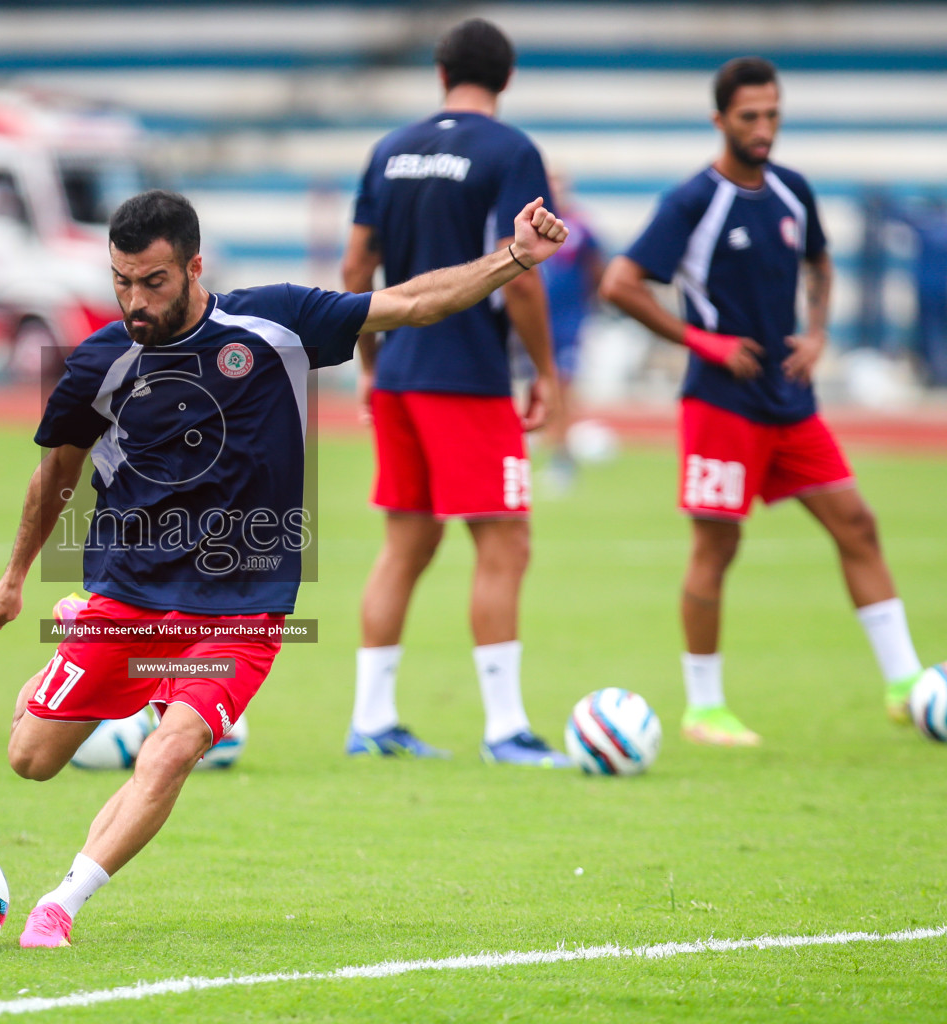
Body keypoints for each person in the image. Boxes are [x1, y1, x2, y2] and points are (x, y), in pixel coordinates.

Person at [0, 188, 569, 948]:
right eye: (121, 281)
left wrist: (513, 258)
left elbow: (412, 303)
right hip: (130, 598)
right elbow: (57, 476)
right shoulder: (100, 362)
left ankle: (61, 905)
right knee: (29, 759)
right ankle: (101, 662)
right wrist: (14, 579)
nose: (135, 300)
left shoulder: (276, 321)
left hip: (242, 611)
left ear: (194, 266)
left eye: (153, 281)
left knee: (171, 748)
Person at [599, 57, 929, 744]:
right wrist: (703, 342)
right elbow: (621, 283)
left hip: (790, 400)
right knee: (717, 548)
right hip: (722, 404)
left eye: (772, 114)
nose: (764, 129)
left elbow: (820, 259)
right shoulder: (695, 200)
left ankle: (905, 685)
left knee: (857, 525)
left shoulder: (791, 190)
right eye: (750, 116)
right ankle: (703, 708)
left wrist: (816, 332)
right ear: (720, 120)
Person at [341, 18, 568, 765]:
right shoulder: (511, 151)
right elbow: (523, 272)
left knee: (406, 545)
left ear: (442, 72)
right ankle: (506, 730)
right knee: (505, 541)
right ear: (505, 79)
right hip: (466, 376)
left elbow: (354, 272)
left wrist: (372, 361)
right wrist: (542, 370)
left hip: (401, 369)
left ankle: (370, 720)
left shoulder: (389, 148)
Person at [536, 168, 605, 492]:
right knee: (540, 388)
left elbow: (597, 270)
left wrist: (590, 306)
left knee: (561, 387)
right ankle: (551, 445)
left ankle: (562, 459)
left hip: (568, 323)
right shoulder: (527, 226)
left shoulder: (579, 227)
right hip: (534, 322)